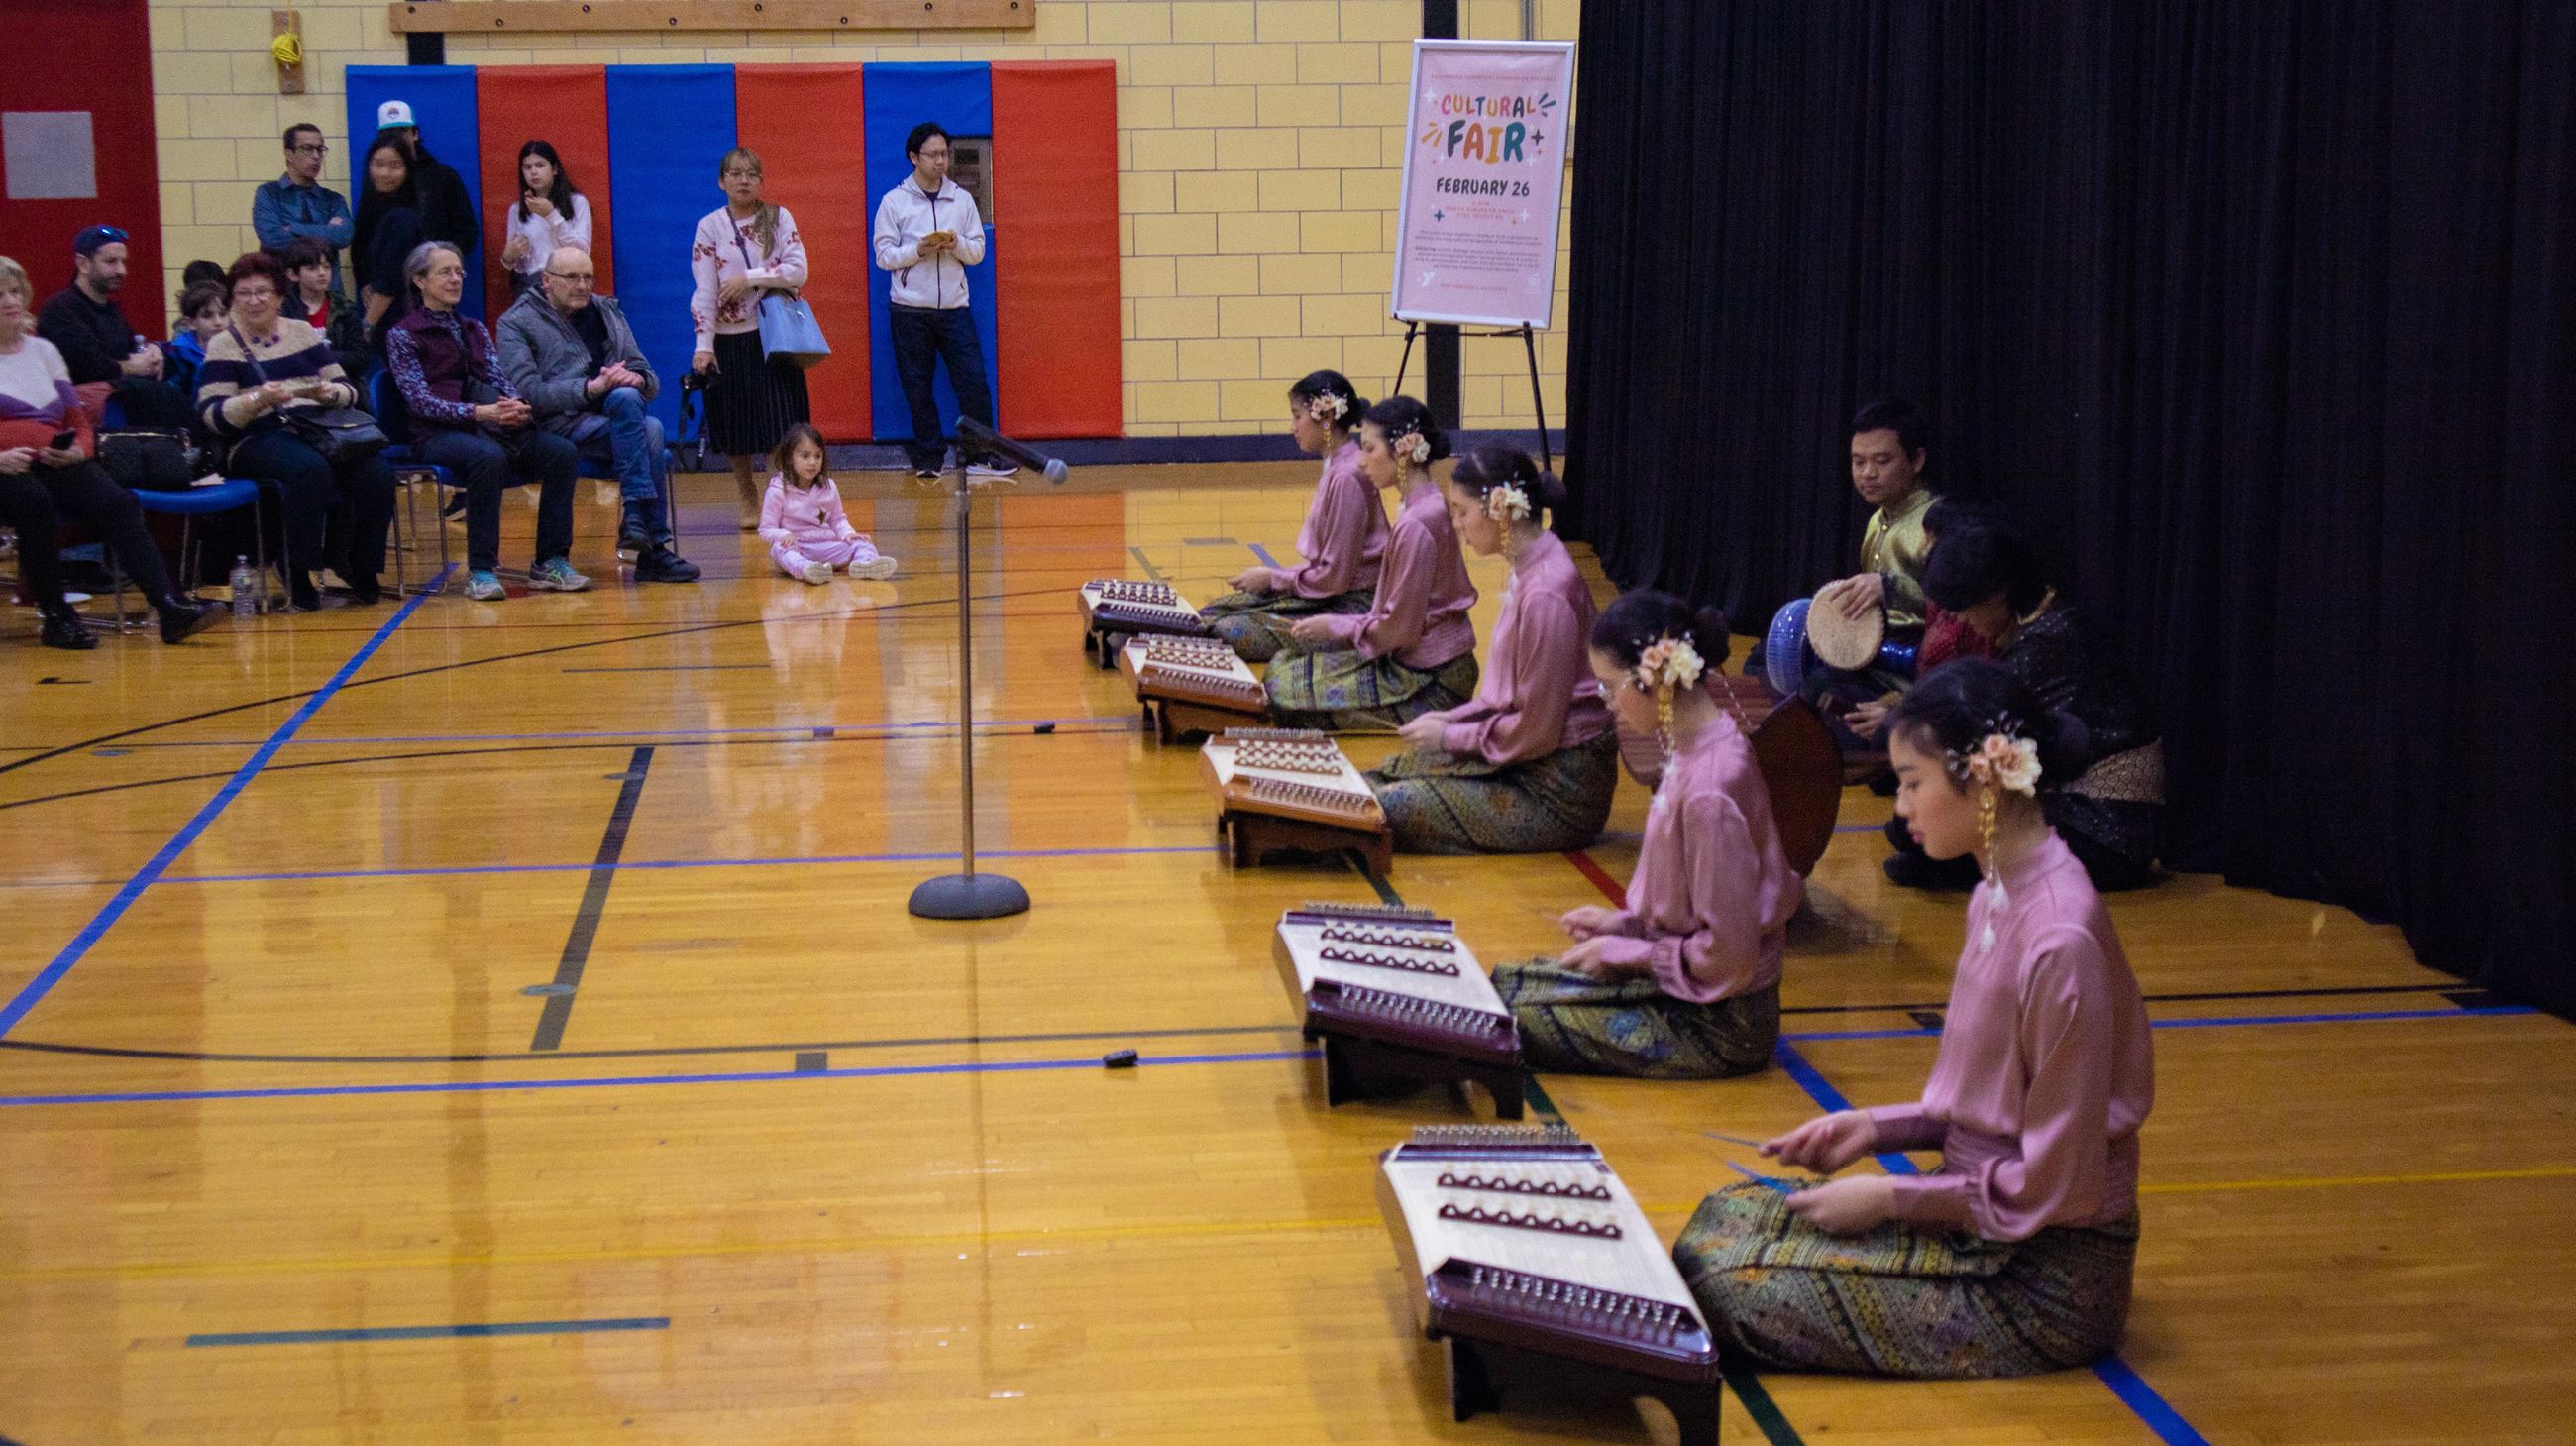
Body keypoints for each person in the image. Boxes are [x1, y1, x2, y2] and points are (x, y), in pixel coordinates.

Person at [1673, 658, 2153, 1379]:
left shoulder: (2062, 938)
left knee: (1732, 1286)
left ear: (1983, 780)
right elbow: (1994, 1106)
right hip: (1990, 1216)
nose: (1900, 806)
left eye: (1913, 781)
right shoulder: (1997, 889)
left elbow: (2065, 1183)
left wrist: (1895, 1195)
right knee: (1722, 1220)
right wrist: (1875, 1128)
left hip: (2043, 1275)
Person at [1486, 591, 1799, 1077]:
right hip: (1692, 986)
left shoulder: (1710, 789)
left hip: (1721, 1019)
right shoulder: (1693, 748)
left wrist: (1632, 953)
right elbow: (1697, 911)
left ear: (1654, 678)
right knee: (1503, 984)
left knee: (1500, 1022)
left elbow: (1729, 957)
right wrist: (1626, 926)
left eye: (1611, 688)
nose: (1608, 704)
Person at [1881, 517, 2164, 891]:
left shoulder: (2050, 639)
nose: (1963, 620)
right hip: (2084, 809)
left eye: (1967, 607)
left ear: (1998, 593)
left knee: (1920, 835)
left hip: (2108, 828)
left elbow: (1983, 732)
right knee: (1918, 829)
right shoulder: (2042, 625)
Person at [1363, 444, 1618, 854]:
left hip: (1557, 788)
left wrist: (1451, 736)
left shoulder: (1547, 594)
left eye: (1463, 512)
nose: (1458, 525)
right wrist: (1453, 718)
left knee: (1392, 804)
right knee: (1388, 773)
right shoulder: (1534, 565)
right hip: (1530, 756)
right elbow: (1518, 704)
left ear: (1500, 509)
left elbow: (1537, 730)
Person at [0, 256, 221, 648]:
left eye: (15, 291)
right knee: (32, 502)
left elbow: (78, 420)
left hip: (54, 458)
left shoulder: (43, 352)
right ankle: (55, 616)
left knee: (115, 501)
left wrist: (80, 451)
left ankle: (169, 606)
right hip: (6, 468)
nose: (10, 300)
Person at [195, 251, 398, 611]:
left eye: (262, 292)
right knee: (309, 469)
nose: (254, 301)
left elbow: (347, 389)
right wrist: (257, 400)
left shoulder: (303, 333)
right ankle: (297, 568)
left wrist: (330, 392)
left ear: (278, 296)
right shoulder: (223, 345)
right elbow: (212, 415)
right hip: (254, 437)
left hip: (316, 428)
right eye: (244, 293)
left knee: (377, 472)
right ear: (233, 299)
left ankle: (358, 564)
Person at [385, 242, 586, 602]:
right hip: (436, 432)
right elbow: (419, 401)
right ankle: (481, 569)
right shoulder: (403, 334)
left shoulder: (473, 328)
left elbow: (498, 377)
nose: (455, 279)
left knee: (561, 452)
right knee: (487, 457)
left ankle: (550, 561)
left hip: (488, 424)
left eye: (459, 271)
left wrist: (515, 405)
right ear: (419, 280)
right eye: (444, 272)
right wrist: (479, 413)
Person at [1264, 396, 1478, 731]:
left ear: (1403, 453)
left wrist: (1336, 627)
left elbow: (1399, 629)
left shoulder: (1418, 523)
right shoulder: (1423, 505)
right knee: (1283, 668)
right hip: (1412, 657)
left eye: (1370, 449)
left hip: (1433, 676)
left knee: (1289, 701)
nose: (1362, 462)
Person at [495, 245, 698, 584]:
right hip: (558, 427)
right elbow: (530, 394)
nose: (582, 286)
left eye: (588, 277)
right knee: (647, 430)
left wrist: (638, 378)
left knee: (631, 404)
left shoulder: (607, 311)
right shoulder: (516, 323)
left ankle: (637, 520)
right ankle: (650, 544)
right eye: (571, 277)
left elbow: (647, 375)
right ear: (546, 280)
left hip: (612, 422)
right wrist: (590, 388)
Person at [1763, 397, 1941, 742]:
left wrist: (1889, 587)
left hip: (1913, 676)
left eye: (1882, 461)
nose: (1867, 473)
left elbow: (1954, 613)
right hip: (1872, 662)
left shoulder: (1934, 524)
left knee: (1809, 695)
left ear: (1917, 460)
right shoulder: (1877, 521)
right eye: (1858, 462)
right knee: (1769, 659)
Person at [1197, 369, 1386, 662]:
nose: (1292, 426)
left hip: (1352, 605)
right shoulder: (1338, 466)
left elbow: (1334, 578)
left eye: (1297, 416)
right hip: (1329, 593)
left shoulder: (1347, 476)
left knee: (1228, 629)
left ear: (1325, 418)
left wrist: (1274, 578)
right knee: (1215, 612)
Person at [872, 122, 1010, 482]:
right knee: (917, 385)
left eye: (944, 154)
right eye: (932, 154)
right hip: (908, 309)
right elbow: (883, 255)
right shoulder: (894, 201)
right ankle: (929, 456)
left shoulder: (961, 199)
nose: (940, 161)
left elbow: (977, 251)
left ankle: (981, 456)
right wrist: (917, 249)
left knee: (973, 382)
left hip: (954, 308)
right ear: (914, 157)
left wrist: (954, 245)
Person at [691, 148, 813, 530]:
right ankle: (747, 494)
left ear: (762, 181)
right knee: (736, 427)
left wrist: (751, 277)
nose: (744, 181)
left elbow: (798, 270)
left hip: (772, 337)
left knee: (780, 424)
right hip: (729, 340)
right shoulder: (709, 226)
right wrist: (703, 344)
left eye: (751, 174)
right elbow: (705, 290)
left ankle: (783, 496)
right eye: (735, 174)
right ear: (721, 181)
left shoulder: (777, 218)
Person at [36, 226, 192, 428]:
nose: (121, 270)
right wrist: (131, 366)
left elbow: (130, 351)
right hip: (87, 414)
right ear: (83, 263)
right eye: (111, 261)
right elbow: (88, 367)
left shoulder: (110, 311)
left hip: (126, 403)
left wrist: (154, 353)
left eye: (123, 262)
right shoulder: (60, 309)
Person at [758, 423, 899, 584]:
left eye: (818, 456)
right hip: (798, 547)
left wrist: (848, 533)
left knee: (862, 542)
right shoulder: (777, 490)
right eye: (805, 456)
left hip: (826, 546)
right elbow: (766, 529)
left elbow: (838, 519)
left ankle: (864, 565)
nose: (813, 462)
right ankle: (806, 569)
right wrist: (783, 535)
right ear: (790, 458)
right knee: (779, 549)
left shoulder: (828, 486)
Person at [252, 124, 354, 292]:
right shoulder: (269, 194)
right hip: (282, 296)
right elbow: (271, 237)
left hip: (328, 299)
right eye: (307, 148)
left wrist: (293, 228)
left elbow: (343, 236)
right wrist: (326, 231)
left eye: (320, 149)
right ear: (288, 153)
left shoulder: (333, 200)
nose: (316, 156)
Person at [373, 101, 477, 257]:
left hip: (436, 275)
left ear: (415, 134)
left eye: (402, 131)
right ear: (380, 138)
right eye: (389, 133)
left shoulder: (443, 176)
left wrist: (441, 261)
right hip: (392, 275)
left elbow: (467, 230)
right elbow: (364, 236)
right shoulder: (376, 180)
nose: (396, 139)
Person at [351, 137, 425, 342]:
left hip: (403, 321)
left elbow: (391, 279)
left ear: (407, 170)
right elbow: (360, 251)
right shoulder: (370, 207)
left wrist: (367, 325)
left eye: (395, 166)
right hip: (385, 316)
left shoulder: (404, 217)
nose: (385, 173)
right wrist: (366, 284)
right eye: (378, 164)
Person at [498, 141, 592, 297]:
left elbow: (583, 251)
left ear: (554, 169)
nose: (533, 172)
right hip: (529, 286)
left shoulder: (577, 203)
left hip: (567, 282)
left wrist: (551, 215)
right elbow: (516, 265)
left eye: (540, 165)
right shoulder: (517, 210)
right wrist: (509, 256)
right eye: (527, 167)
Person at [277, 237, 373, 379]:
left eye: (327, 266)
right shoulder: (283, 310)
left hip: (341, 385)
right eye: (312, 268)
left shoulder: (344, 308)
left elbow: (360, 358)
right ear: (293, 275)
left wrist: (319, 355)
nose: (322, 272)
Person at [161, 279, 229, 401]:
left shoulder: (238, 350)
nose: (218, 322)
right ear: (191, 323)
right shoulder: (176, 355)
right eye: (207, 316)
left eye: (223, 314)